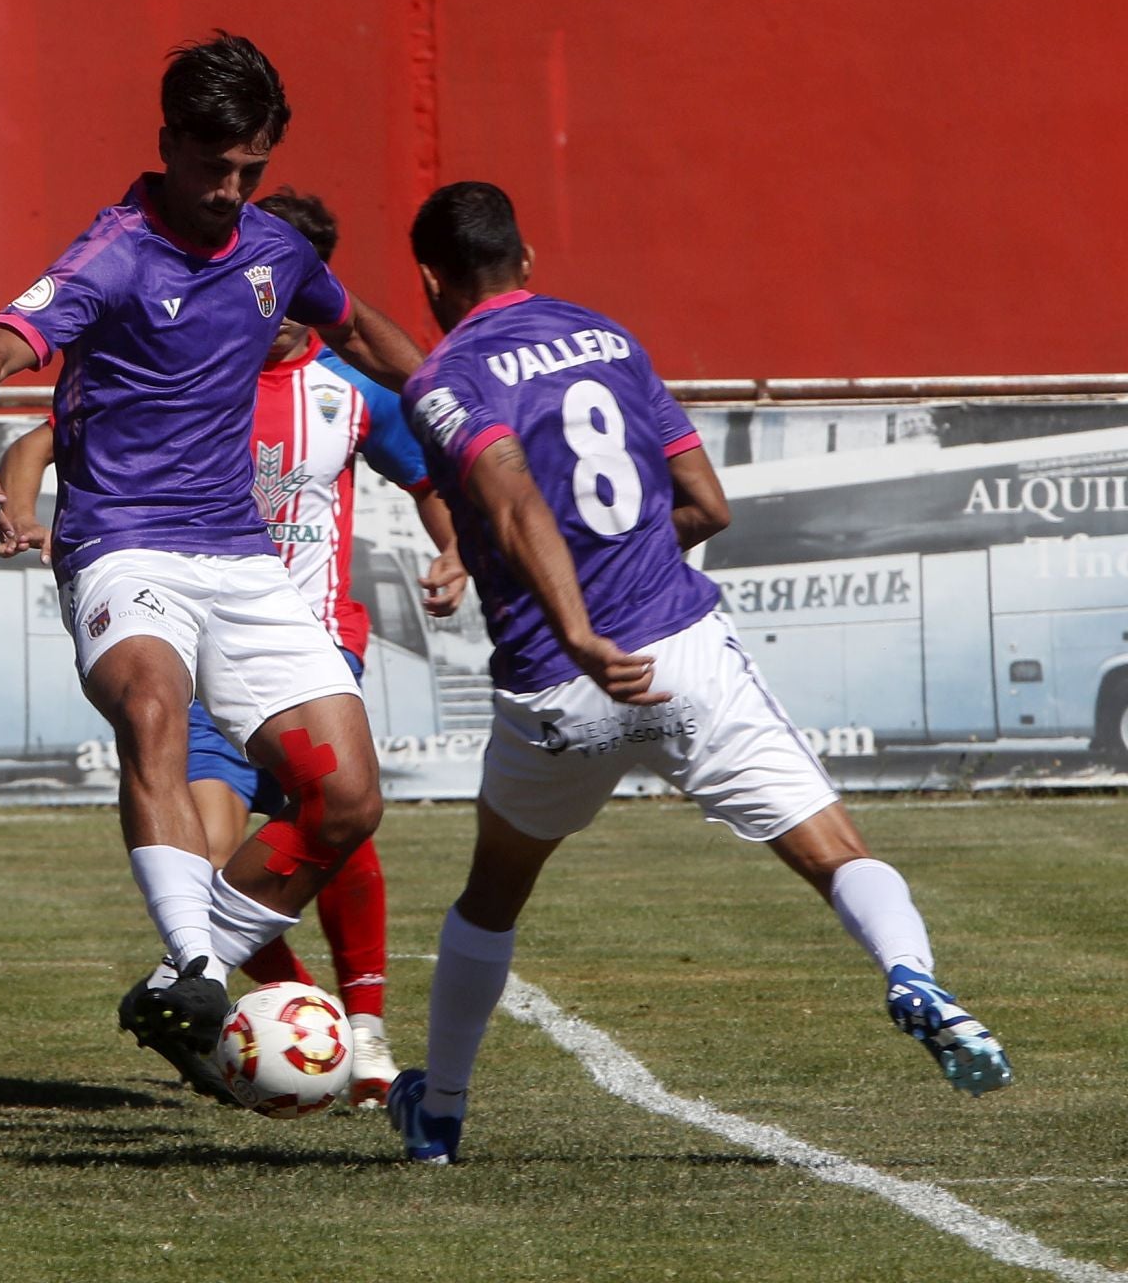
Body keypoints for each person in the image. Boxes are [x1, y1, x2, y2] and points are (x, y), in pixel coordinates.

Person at [384, 182, 1012, 1165]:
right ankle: (913, 974)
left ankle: (443, 1110)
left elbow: (510, 499)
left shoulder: (446, 376)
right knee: (836, 847)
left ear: (429, 279)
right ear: (529, 256)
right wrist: (625, 557)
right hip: (683, 654)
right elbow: (707, 505)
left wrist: (580, 622)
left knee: (490, 899)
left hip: (565, 677)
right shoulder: (610, 337)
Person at [0, 33, 427, 1099]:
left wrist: (451, 391)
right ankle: (203, 965)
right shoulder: (111, 252)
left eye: (251, 169)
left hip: (239, 558)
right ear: (167, 144)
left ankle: (175, 975)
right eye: (214, 165)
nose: (231, 189)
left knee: (345, 799)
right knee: (153, 705)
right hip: (122, 543)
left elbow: (363, 330)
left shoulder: (274, 250)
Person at [0, 188, 468, 1106]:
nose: (280, 310)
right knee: (204, 841)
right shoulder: (187, 367)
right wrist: (20, 504)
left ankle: (350, 1026)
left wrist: (453, 545)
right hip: (171, 622)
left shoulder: (350, 394)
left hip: (298, 633)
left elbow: (425, 467)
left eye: (296, 294)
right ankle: (205, 984)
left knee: (341, 813)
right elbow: (40, 434)